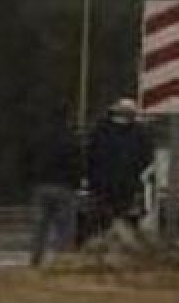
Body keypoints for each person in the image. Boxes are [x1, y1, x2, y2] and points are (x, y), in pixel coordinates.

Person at [87, 98, 154, 242]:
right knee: (126, 219)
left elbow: (91, 156)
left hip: (103, 184)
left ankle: (103, 246)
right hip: (127, 184)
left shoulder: (100, 130)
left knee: (102, 220)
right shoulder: (139, 133)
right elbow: (146, 158)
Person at [27, 122, 85, 266]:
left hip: (42, 185)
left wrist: (30, 180)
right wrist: (77, 182)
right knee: (65, 227)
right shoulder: (71, 142)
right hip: (64, 187)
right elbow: (78, 164)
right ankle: (61, 260)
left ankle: (36, 258)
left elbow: (26, 159)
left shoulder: (38, 139)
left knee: (40, 226)